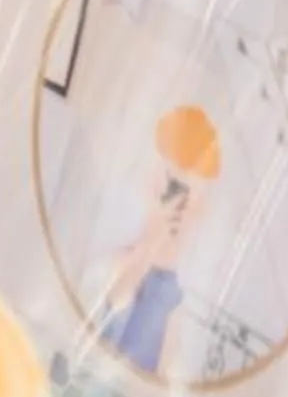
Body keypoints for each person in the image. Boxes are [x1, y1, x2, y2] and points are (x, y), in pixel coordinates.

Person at [93, 105, 221, 375]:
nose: (177, 205)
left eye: (188, 198)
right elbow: (103, 325)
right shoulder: (114, 263)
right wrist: (150, 245)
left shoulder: (177, 304)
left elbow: (160, 386)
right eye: (171, 187)